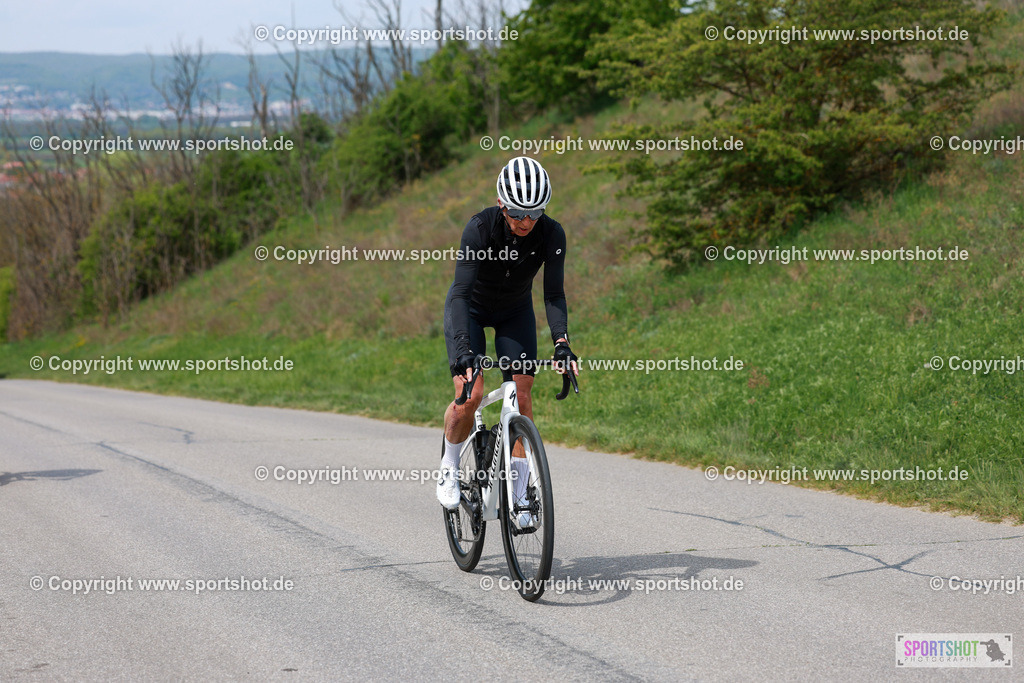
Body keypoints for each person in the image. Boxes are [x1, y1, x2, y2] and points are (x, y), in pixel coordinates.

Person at [437, 156, 578, 525]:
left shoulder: (552, 234)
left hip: (515, 312)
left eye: (535, 213)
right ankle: (449, 466)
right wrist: (464, 351)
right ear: (501, 204)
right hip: (470, 310)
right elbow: (460, 293)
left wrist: (561, 343)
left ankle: (519, 495)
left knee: (522, 395)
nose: (525, 222)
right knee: (471, 394)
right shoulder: (479, 229)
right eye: (517, 213)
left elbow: (554, 295)